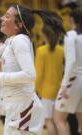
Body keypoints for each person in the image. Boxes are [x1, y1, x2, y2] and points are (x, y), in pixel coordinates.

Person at [0, 4, 67, 135]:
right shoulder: (10, 41)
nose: (2, 18)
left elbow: (30, 75)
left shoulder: (20, 41)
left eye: (7, 16)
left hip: (23, 106)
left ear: (18, 25)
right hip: (16, 105)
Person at [54, 7, 82, 135]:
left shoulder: (70, 35)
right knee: (81, 121)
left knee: (58, 119)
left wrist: (64, 85)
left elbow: (70, 61)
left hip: (74, 78)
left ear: (71, 19)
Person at [35, 24, 65, 135]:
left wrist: (35, 90)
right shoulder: (61, 50)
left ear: (43, 34)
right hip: (59, 90)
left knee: (49, 121)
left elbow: (39, 74)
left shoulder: (41, 50)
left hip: (46, 92)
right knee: (59, 121)